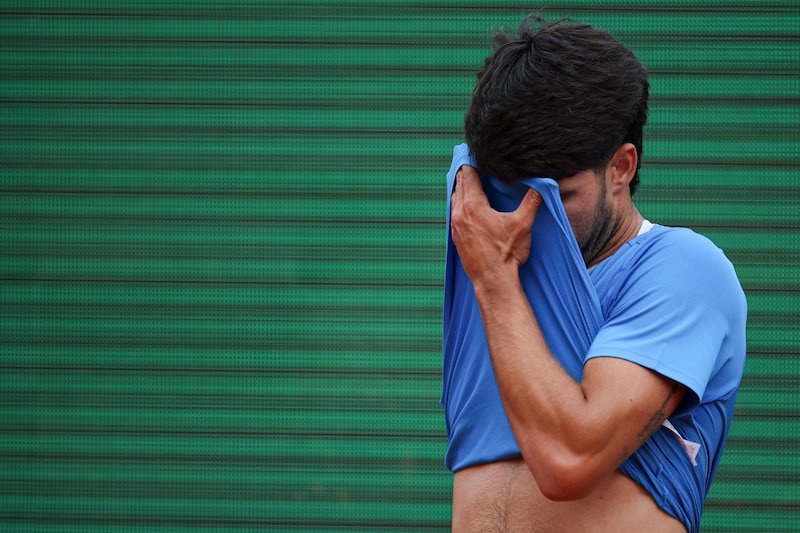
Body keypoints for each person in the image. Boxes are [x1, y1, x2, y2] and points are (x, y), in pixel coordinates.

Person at [441, 14, 747, 532]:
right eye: (511, 192)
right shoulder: (497, 276)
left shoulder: (685, 268)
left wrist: (493, 279)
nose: (528, 218)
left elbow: (568, 461)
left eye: (560, 196)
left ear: (621, 167)